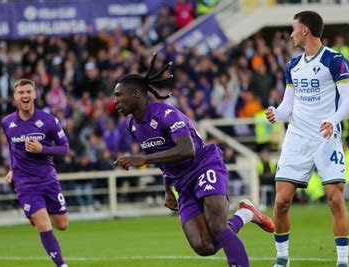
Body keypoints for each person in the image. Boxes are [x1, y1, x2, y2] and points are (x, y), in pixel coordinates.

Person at [113, 53, 274, 266]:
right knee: (204, 246)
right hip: (181, 181)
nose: (115, 101)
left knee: (217, 227)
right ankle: (245, 214)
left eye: (119, 95)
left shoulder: (166, 114)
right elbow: (164, 158)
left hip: (203, 166)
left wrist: (143, 159)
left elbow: (186, 150)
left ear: (136, 94)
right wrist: (167, 188)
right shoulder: (132, 126)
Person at [266, 11, 349, 267]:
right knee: (282, 201)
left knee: (335, 199)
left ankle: (342, 262)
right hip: (296, 138)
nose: (290, 33)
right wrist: (276, 112)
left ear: (305, 30)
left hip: (326, 136)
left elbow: (348, 101)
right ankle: (282, 259)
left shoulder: (335, 60)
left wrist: (333, 121)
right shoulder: (293, 65)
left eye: (293, 28)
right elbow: (287, 105)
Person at [1, 79, 70, 267]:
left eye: (28, 92)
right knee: (44, 224)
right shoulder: (7, 123)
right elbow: (11, 148)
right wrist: (12, 169)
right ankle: (62, 265)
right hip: (25, 184)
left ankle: (36, 214)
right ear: (15, 96)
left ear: (34, 94)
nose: (25, 96)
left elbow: (65, 149)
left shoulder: (48, 121)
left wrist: (42, 149)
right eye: (21, 92)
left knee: (62, 224)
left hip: (48, 180)